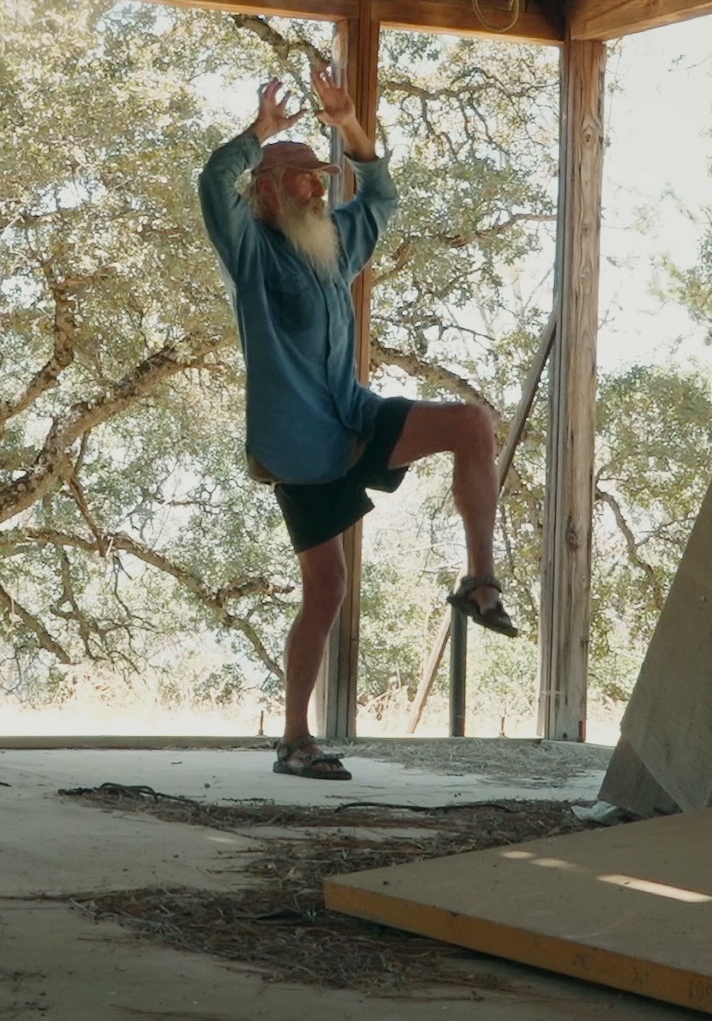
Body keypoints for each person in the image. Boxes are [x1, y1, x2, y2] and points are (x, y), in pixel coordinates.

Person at [198, 67, 519, 782]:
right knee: (328, 591)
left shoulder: (333, 244)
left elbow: (381, 192)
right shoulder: (251, 255)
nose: (317, 187)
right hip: (301, 451)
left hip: (354, 416)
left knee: (471, 423)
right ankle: (294, 740)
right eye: (301, 179)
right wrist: (260, 135)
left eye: (318, 177)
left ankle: (479, 580)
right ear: (267, 192)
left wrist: (347, 124)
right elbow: (209, 184)